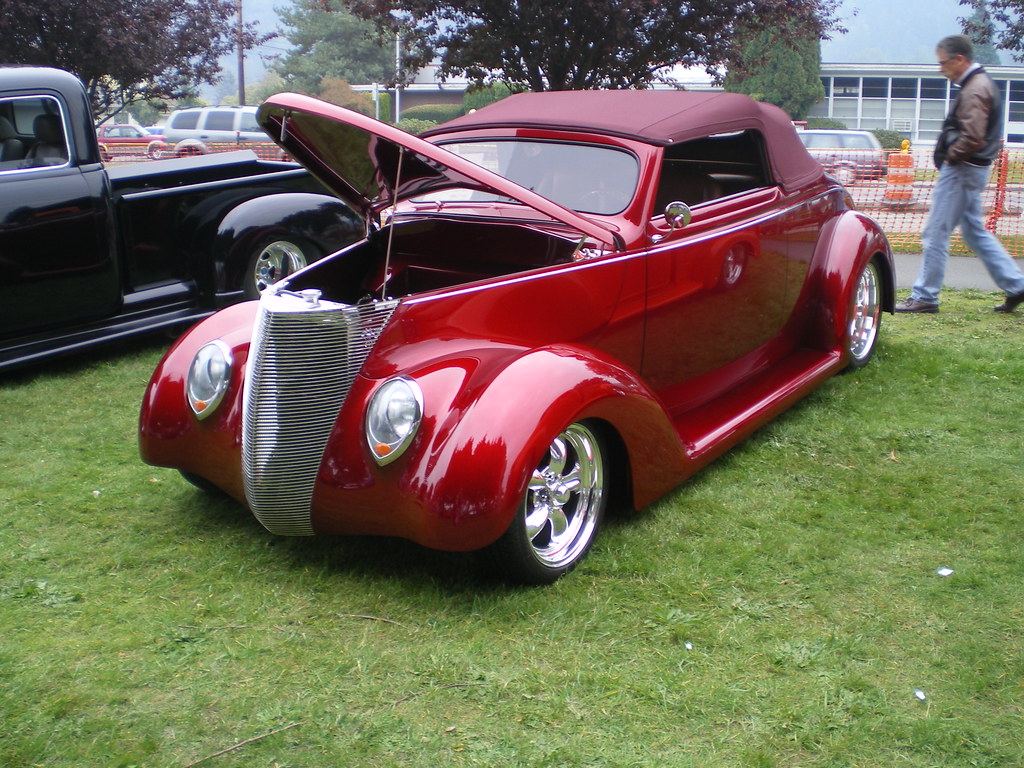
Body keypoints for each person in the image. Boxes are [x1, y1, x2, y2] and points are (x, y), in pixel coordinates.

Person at [896, 35, 1024, 314]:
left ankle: (925, 296)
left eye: (943, 63)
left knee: (935, 233)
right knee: (974, 232)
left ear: (960, 60)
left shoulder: (975, 89)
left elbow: (973, 137)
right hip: (973, 170)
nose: (941, 68)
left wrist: (950, 158)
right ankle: (1016, 285)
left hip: (963, 170)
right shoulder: (979, 84)